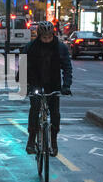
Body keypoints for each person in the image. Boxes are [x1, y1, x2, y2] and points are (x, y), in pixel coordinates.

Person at [23, 22, 72, 156]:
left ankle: (54, 141)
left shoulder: (60, 48)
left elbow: (67, 67)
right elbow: (22, 67)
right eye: (43, 37)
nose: (46, 40)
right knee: (34, 109)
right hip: (35, 82)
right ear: (39, 36)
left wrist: (66, 86)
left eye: (49, 37)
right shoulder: (30, 47)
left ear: (53, 35)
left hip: (53, 84)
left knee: (55, 113)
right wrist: (24, 86)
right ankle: (31, 140)